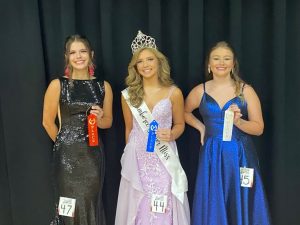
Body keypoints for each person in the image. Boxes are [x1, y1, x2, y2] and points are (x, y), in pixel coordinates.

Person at [185, 41, 272, 225]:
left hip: (239, 156)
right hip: (212, 155)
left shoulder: (245, 90)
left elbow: (259, 128)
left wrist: (239, 122)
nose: (221, 63)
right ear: (209, 64)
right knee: (214, 200)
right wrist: (201, 127)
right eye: (216, 58)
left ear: (233, 64)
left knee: (241, 199)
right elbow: (183, 112)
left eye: (226, 59)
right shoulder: (201, 90)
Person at [115, 31, 190, 225]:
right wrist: (128, 158)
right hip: (138, 157)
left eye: (150, 59)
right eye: (140, 61)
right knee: (139, 203)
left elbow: (180, 124)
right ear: (135, 66)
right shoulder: (128, 95)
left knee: (163, 202)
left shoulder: (174, 93)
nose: (146, 64)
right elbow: (128, 129)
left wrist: (172, 133)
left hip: (163, 157)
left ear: (159, 62)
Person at [42, 34, 113, 225]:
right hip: (66, 158)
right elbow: (47, 122)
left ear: (91, 54)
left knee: (90, 203)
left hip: (93, 157)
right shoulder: (58, 85)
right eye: (73, 52)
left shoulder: (103, 86)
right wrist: (63, 143)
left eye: (82, 51)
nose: (78, 56)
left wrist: (99, 119)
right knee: (68, 207)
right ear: (67, 57)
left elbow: (108, 122)